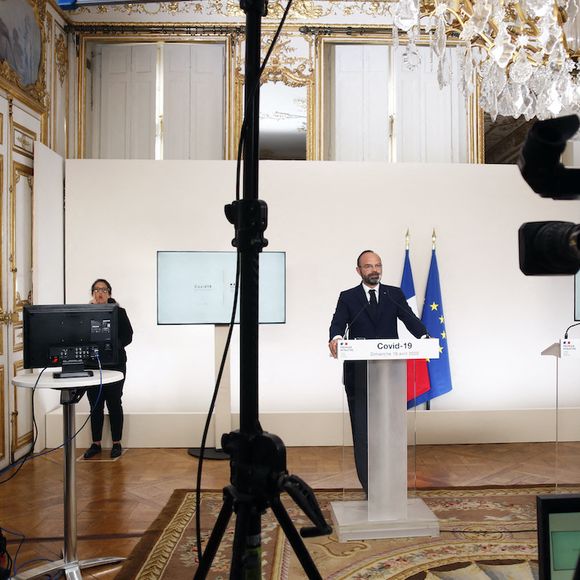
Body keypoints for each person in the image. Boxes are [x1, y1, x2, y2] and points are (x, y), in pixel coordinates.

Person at [328, 250, 427, 492]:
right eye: (369, 266)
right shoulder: (348, 297)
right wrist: (337, 337)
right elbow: (337, 322)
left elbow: (409, 319)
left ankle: (390, 484)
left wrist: (424, 337)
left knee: (389, 431)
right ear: (359, 270)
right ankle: (369, 487)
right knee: (363, 433)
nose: (375, 270)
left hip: (389, 374)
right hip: (359, 375)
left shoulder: (393, 294)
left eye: (378, 265)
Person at [83, 279, 133, 459]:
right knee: (95, 405)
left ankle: (116, 443)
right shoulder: (85, 313)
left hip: (116, 365)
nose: (100, 293)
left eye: (103, 289)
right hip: (93, 365)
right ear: (92, 294)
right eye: (96, 290)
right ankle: (95, 444)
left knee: (114, 403)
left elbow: (128, 336)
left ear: (109, 293)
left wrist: (111, 345)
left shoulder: (119, 312)